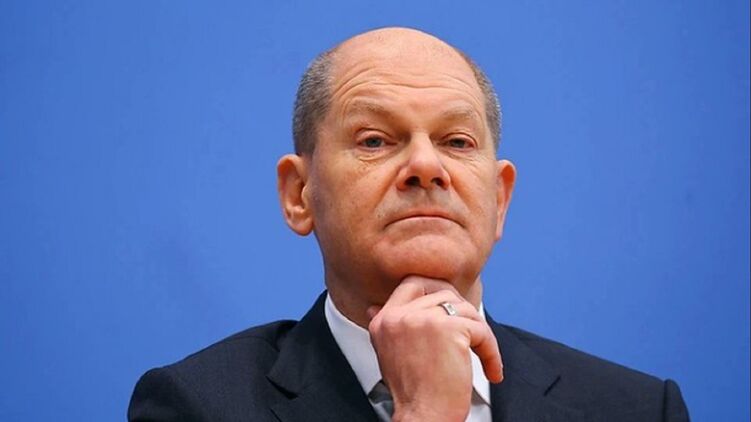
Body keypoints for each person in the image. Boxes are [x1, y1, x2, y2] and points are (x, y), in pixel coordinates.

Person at [128, 27, 690, 421]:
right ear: (299, 195)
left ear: (499, 199)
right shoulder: (197, 405)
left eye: (457, 142)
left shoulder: (638, 409)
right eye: (375, 140)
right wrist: (425, 414)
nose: (426, 165)